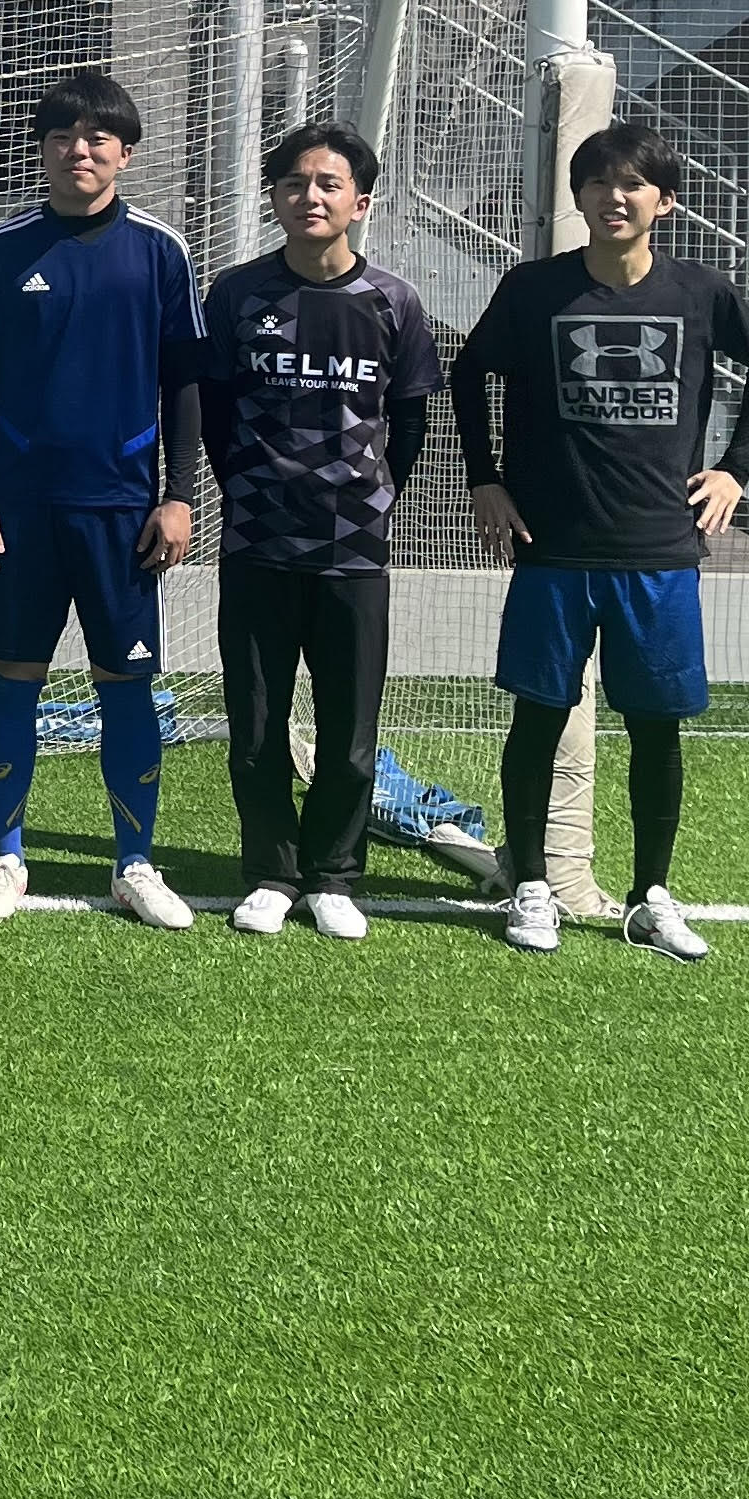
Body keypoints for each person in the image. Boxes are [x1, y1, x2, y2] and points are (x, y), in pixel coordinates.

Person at [453, 121, 749, 962]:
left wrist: (734, 469)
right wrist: (485, 478)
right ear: (579, 196)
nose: (614, 196)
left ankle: (650, 897)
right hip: (553, 548)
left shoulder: (701, 292)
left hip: (658, 551)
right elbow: (466, 371)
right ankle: (532, 884)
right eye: (599, 182)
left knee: (656, 728)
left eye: (633, 183)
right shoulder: (535, 289)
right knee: (538, 718)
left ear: (663, 202)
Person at [0, 69, 207, 931]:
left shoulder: (160, 252)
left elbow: (183, 384)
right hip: (20, 508)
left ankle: (135, 863)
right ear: (43, 149)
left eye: (98, 138)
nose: (79, 151)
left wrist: (179, 496)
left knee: (125, 683)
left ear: (125, 154)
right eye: (62, 136)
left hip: (124, 511)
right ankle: (4, 856)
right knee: (12, 679)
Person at [193, 121, 443, 943]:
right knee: (257, 725)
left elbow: (409, 423)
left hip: (355, 552)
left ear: (360, 203)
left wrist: (368, 501)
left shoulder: (394, 303)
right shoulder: (237, 294)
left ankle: (333, 874)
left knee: (350, 730)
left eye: (329, 184)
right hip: (257, 544)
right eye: (296, 182)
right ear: (274, 196)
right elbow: (214, 411)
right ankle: (271, 871)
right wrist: (248, 491)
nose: (311, 196)